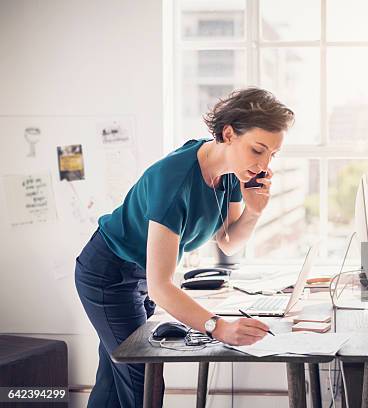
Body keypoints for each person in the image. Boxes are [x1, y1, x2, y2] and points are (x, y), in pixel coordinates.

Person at [74, 87, 294, 407]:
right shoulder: (175, 180)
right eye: (258, 149)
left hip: (138, 275)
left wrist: (254, 211)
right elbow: (160, 287)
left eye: (272, 155)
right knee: (141, 380)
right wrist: (218, 328)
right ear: (229, 134)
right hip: (109, 273)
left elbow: (229, 242)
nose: (263, 165)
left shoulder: (231, 172)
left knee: (114, 379)